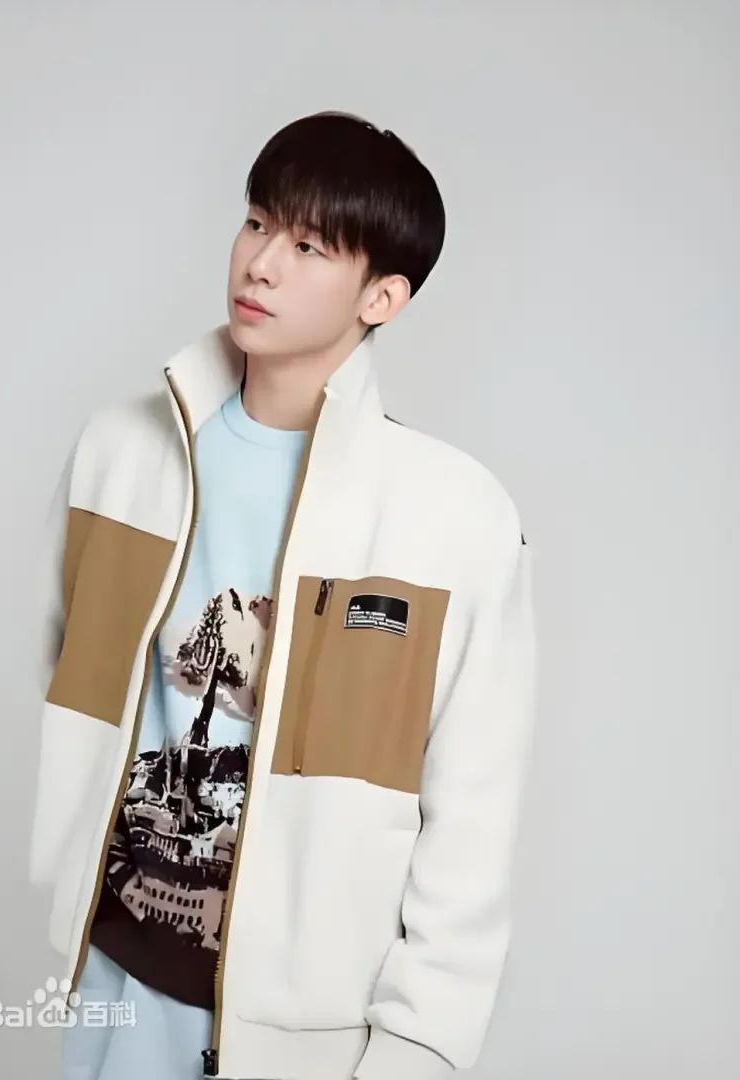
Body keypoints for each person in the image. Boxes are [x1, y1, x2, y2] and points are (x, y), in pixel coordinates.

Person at [29, 110, 537, 1080]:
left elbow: (473, 814)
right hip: (113, 981)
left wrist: (419, 1050)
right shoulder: (120, 456)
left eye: (309, 246)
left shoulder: (454, 517)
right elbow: (72, 685)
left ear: (382, 296)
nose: (260, 264)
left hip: (305, 1036)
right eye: (258, 222)